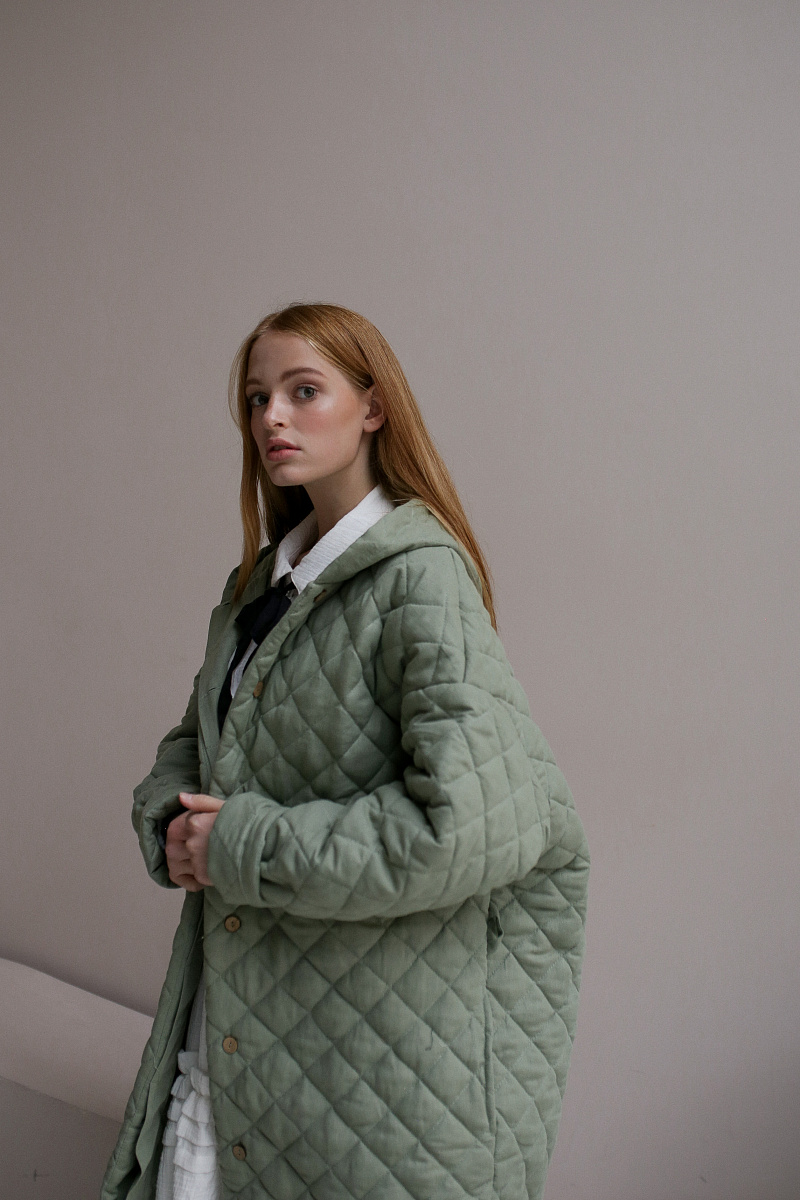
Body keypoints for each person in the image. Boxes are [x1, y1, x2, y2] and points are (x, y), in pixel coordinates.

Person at [101, 302, 589, 1200]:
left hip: (374, 1061)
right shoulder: (258, 586)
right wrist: (172, 822)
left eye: (303, 390)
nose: (272, 418)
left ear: (372, 407)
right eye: (257, 399)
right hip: (236, 1033)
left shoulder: (420, 578)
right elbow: (196, 745)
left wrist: (239, 845)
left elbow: (466, 828)